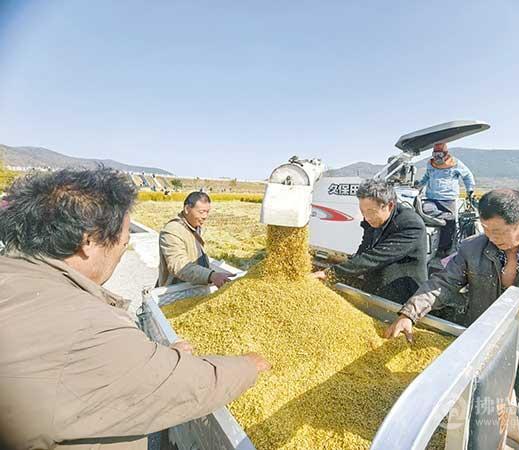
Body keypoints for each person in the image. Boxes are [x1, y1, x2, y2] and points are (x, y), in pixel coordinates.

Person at [0, 168, 270, 450]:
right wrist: (248, 366)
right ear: (88, 241)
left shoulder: (16, 278)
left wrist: (158, 357)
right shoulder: (88, 326)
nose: (124, 245)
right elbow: (181, 385)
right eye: (124, 237)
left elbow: (96, 372)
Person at [385, 189, 519, 450]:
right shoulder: (473, 247)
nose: (490, 237)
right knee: (482, 424)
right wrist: (410, 312)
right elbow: (444, 283)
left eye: (497, 231)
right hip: (490, 353)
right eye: (485, 229)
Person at [312, 178, 428, 304]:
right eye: (362, 211)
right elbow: (364, 249)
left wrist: (330, 274)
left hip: (402, 293)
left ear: (389, 206)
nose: (366, 218)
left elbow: (376, 257)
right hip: (375, 285)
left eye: (371, 212)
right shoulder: (372, 220)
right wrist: (348, 267)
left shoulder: (410, 224)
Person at [158, 191, 232, 287]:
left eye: (207, 212)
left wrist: (211, 275)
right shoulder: (172, 231)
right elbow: (178, 265)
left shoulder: (195, 227)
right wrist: (211, 276)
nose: (205, 216)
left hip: (195, 286)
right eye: (201, 212)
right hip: (177, 290)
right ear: (187, 209)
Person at [417, 142, 475, 257]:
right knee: (426, 211)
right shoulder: (430, 164)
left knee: (449, 225)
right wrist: (419, 186)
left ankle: (444, 249)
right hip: (431, 198)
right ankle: (444, 216)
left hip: (448, 199)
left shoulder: (455, 163)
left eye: (439, 155)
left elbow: (467, 176)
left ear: (446, 154)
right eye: (435, 155)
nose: (437, 158)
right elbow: (426, 177)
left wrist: (470, 190)